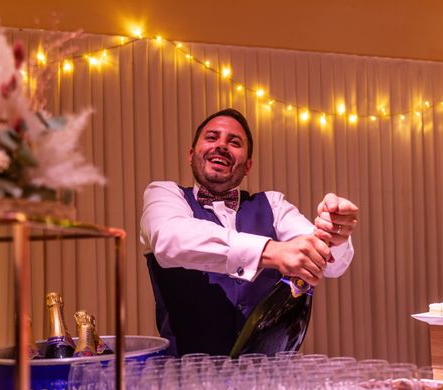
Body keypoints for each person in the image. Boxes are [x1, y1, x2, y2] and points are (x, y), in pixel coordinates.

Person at [140, 108, 359, 356]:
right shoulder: (164, 194)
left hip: (267, 380)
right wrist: (272, 251)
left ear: (247, 166)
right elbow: (169, 239)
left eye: (234, 142)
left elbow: (330, 263)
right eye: (212, 138)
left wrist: (333, 232)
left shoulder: (274, 205)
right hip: (186, 381)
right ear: (191, 155)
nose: (222, 146)